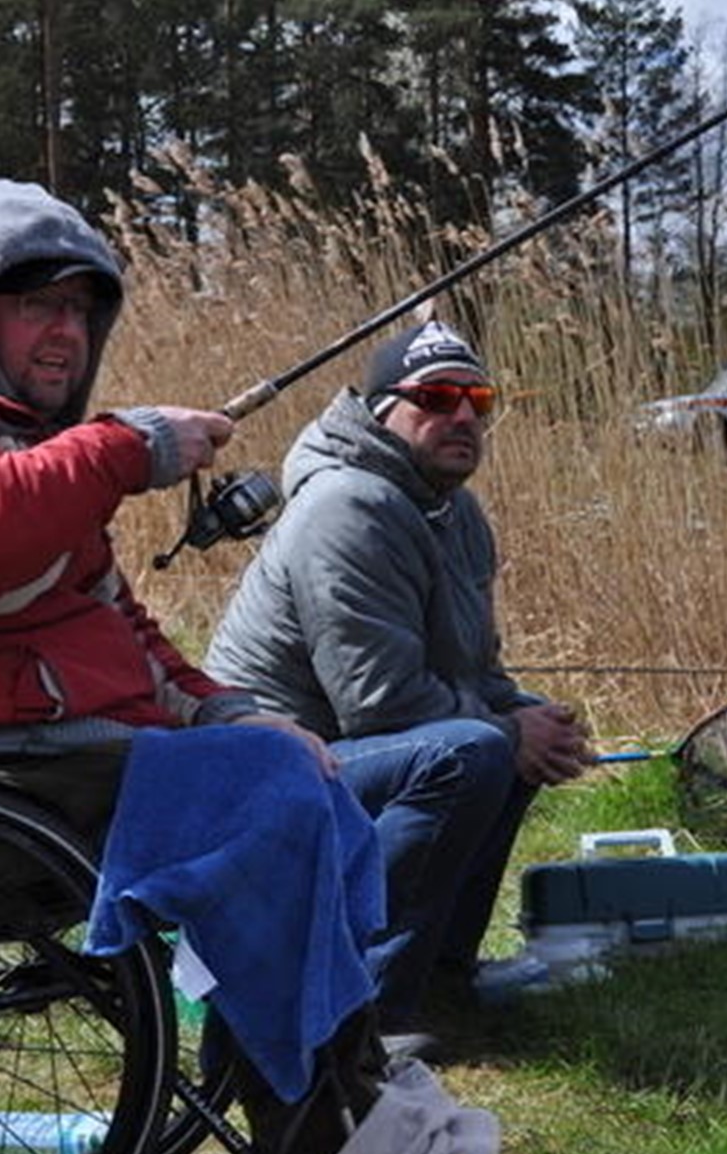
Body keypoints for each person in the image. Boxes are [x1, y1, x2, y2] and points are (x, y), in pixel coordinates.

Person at [0, 177, 435, 1154]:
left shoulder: (22, 446)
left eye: (82, 307)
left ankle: (342, 1083)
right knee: (272, 797)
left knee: (307, 778)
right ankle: (316, 1142)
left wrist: (226, 708)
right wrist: (125, 447)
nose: (65, 331)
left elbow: (111, 621)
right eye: (36, 303)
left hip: (34, 754)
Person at [205, 318, 591, 1043]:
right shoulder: (348, 506)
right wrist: (507, 730)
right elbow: (378, 703)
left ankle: (441, 977)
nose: (464, 416)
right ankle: (363, 1007)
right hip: (265, 768)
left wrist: (533, 720)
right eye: (438, 397)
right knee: (472, 751)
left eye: (480, 399)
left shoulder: (456, 511)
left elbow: (474, 673)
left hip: (345, 748)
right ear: (383, 409)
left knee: (512, 729)